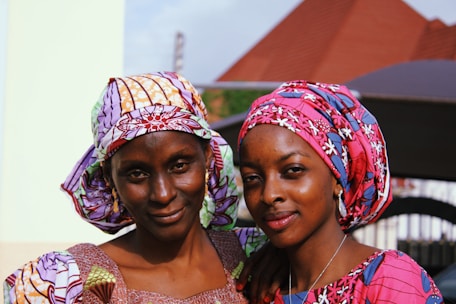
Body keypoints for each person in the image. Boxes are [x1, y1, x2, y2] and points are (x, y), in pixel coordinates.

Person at [3, 72, 261, 303]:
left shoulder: (258, 258)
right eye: (137, 173)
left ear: (206, 157)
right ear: (108, 177)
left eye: (179, 166)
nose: (162, 194)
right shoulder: (64, 285)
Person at [237, 80, 444, 303]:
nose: (269, 194)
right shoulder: (254, 280)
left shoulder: (388, 281)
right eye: (252, 178)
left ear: (338, 178)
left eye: (293, 170)